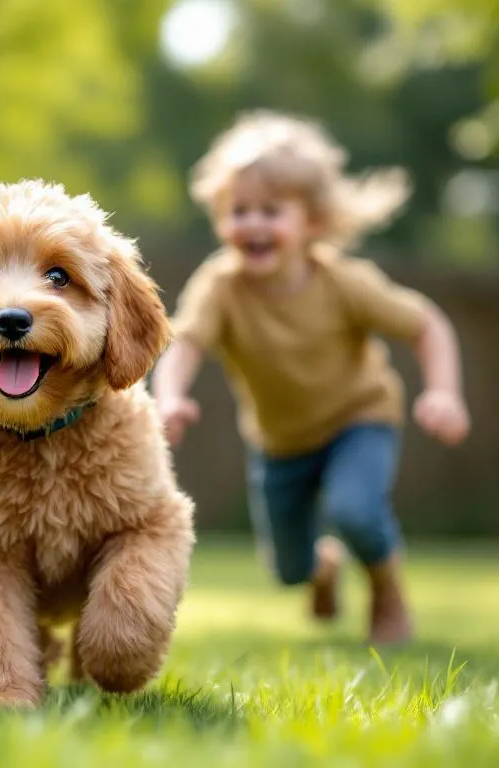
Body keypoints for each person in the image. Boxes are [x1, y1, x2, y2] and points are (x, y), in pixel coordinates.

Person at [151, 110, 470, 646]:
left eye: (270, 211)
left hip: (357, 420)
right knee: (287, 571)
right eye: (238, 211)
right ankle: (322, 565)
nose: (251, 224)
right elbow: (185, 341)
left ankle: (386, 591)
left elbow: (428, 326)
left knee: (356, 511)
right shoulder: (221, 286)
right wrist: (170, 397)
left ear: (313, 223)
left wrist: (444, 392)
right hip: (280, 443)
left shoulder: (344, 283)